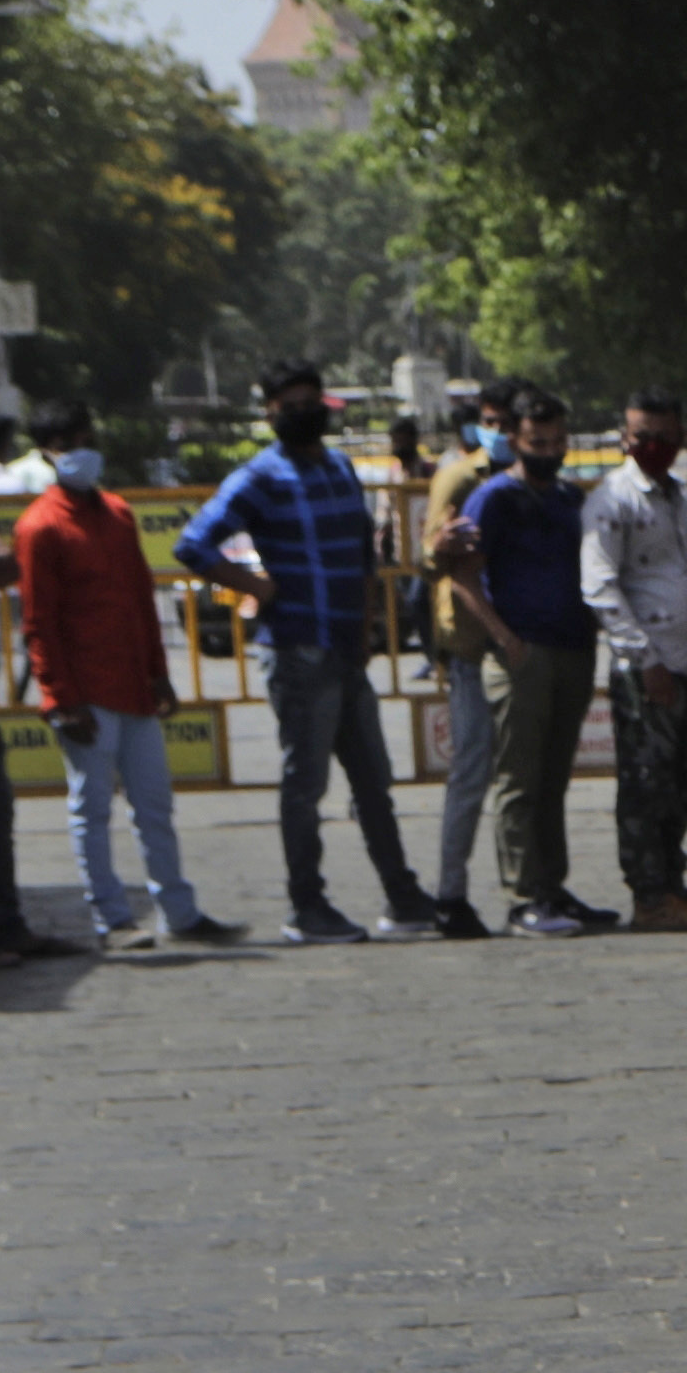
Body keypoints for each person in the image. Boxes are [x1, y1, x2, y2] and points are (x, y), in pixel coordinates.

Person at [181, 357, 430, 943]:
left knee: (373, 780)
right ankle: (307, 905)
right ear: (269, 414)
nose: (302, 414)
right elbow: (194, 543)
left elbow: (365, 557)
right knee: (306, 783)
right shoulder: (260, 476)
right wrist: (254, 586)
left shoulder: (341, 467)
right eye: (288, 407)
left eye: (309, 402)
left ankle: (403, 895)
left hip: (345, 650)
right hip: (296, 648)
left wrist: (368, 625)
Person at [15, 402, 229, 950]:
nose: (80, 450)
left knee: (154, 804)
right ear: (47, 452)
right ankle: (112, 918)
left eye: (85, 438)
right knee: (91, 808)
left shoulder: (116, 513)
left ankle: (177, 912)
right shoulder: (39, 527)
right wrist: (61, 698)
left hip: (133, 688)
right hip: (85, 693)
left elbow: (140, 600)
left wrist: (159, 675)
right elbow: (38, 623)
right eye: (67, 443)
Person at [446, 389, 608, 938]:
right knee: (518, 779)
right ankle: (521, 897)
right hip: (522, 654)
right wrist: (502, 638)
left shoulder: (568, 497)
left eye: (558, 441)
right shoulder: (493, 497)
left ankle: (552, 886)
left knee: (554, 779)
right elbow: (464, 573)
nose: (550, 451)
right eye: (538, 442)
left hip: (572, 648)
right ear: (514, 440)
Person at [576, 389, 687, 933]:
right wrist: (644, 660)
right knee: (646, 782)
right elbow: (600, 588)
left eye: (664, 436)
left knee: (684, 778)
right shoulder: (612, 500)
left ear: (682, 437)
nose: (652, 446)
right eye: (642, 436)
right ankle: (648, 894)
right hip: (647, 668)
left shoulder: (683, 497)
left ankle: (671, 879)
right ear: (624, 436)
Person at [418, 386, 519, 937]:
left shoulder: (531, 480)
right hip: (471, 647)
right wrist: (441, 547)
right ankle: (449, 893)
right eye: (490, 422)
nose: (498, 431)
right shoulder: (461, 476)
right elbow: (424, 557)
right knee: (472, 770)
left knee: (522, 776)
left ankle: (529, 886)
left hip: (520, 643)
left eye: (506, 422)